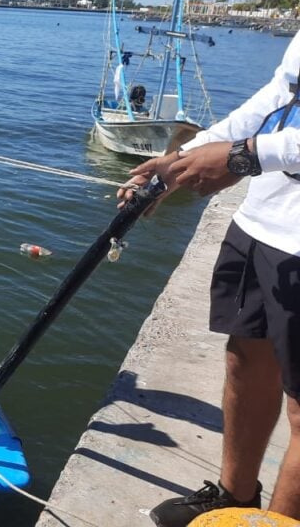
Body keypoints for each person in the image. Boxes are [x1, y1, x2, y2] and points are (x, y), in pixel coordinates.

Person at [119, 33, 300, 527]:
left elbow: (254, 146)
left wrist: (244, 157)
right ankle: (235, 498)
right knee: (246, 359)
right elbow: (279, 94)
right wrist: (182, 161)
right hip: (264, 222)